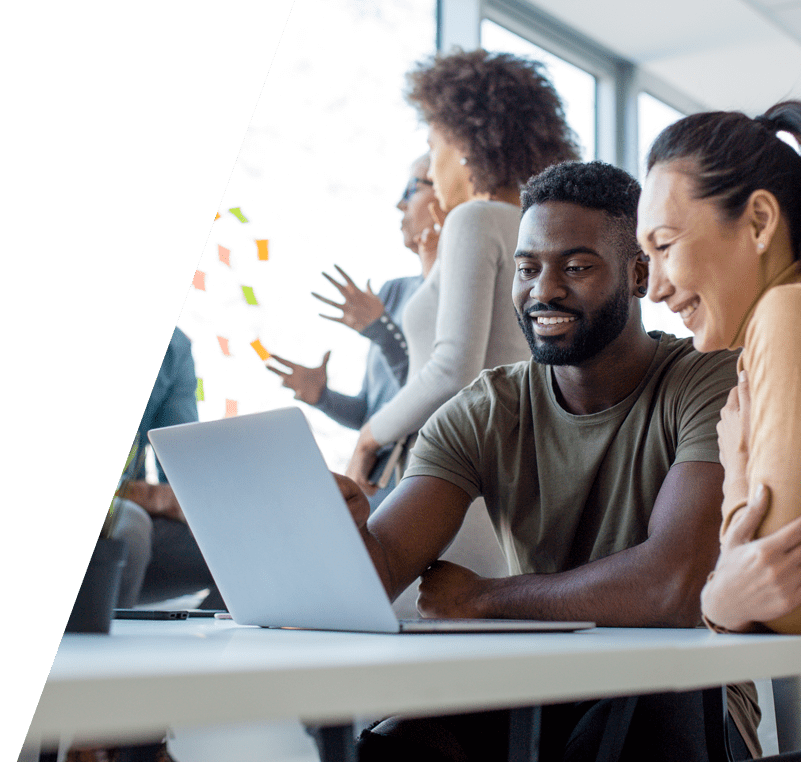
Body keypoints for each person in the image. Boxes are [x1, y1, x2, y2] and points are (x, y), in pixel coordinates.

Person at [335, 161, 760, 760]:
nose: (544, 290)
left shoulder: (709, 381)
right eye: (528, 269)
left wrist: (486, 598)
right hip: (537, 693)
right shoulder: (487, 408)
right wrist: (339, 532)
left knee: (630, 719)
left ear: (639, 274)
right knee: (401, 744)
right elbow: (380, 570)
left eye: (577, 267)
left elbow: (673, 589)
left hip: (682, 700)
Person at [637, 100, 801, 696]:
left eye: (666, 245)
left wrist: (737, 455)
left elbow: (785, 606)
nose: (653, 289)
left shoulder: (795, 314)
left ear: (758, 221)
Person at [344, 49, 579, 494]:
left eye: (434, 148)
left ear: (467, 140)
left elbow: (453, 368)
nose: (432, 167)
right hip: (505, 464)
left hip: (452, 471)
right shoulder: (537, 227)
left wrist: (368, 436)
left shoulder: (475, 219)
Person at [267, 154, 441, 507]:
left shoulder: (457, 296)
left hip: (418, 480)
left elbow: (434, 392)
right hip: (374, 481)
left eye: (413, 188)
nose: (399, 203)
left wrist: (381, 330)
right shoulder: (392, 291)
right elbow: (371, 412)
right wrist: (323, 398)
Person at [112, 326, 222, 609]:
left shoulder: (175, 346)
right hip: (129, 514)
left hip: (138, 511)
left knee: (249, 539)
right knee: (130, 530)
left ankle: (206, 651)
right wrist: (151, 497)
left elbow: (183, 470)